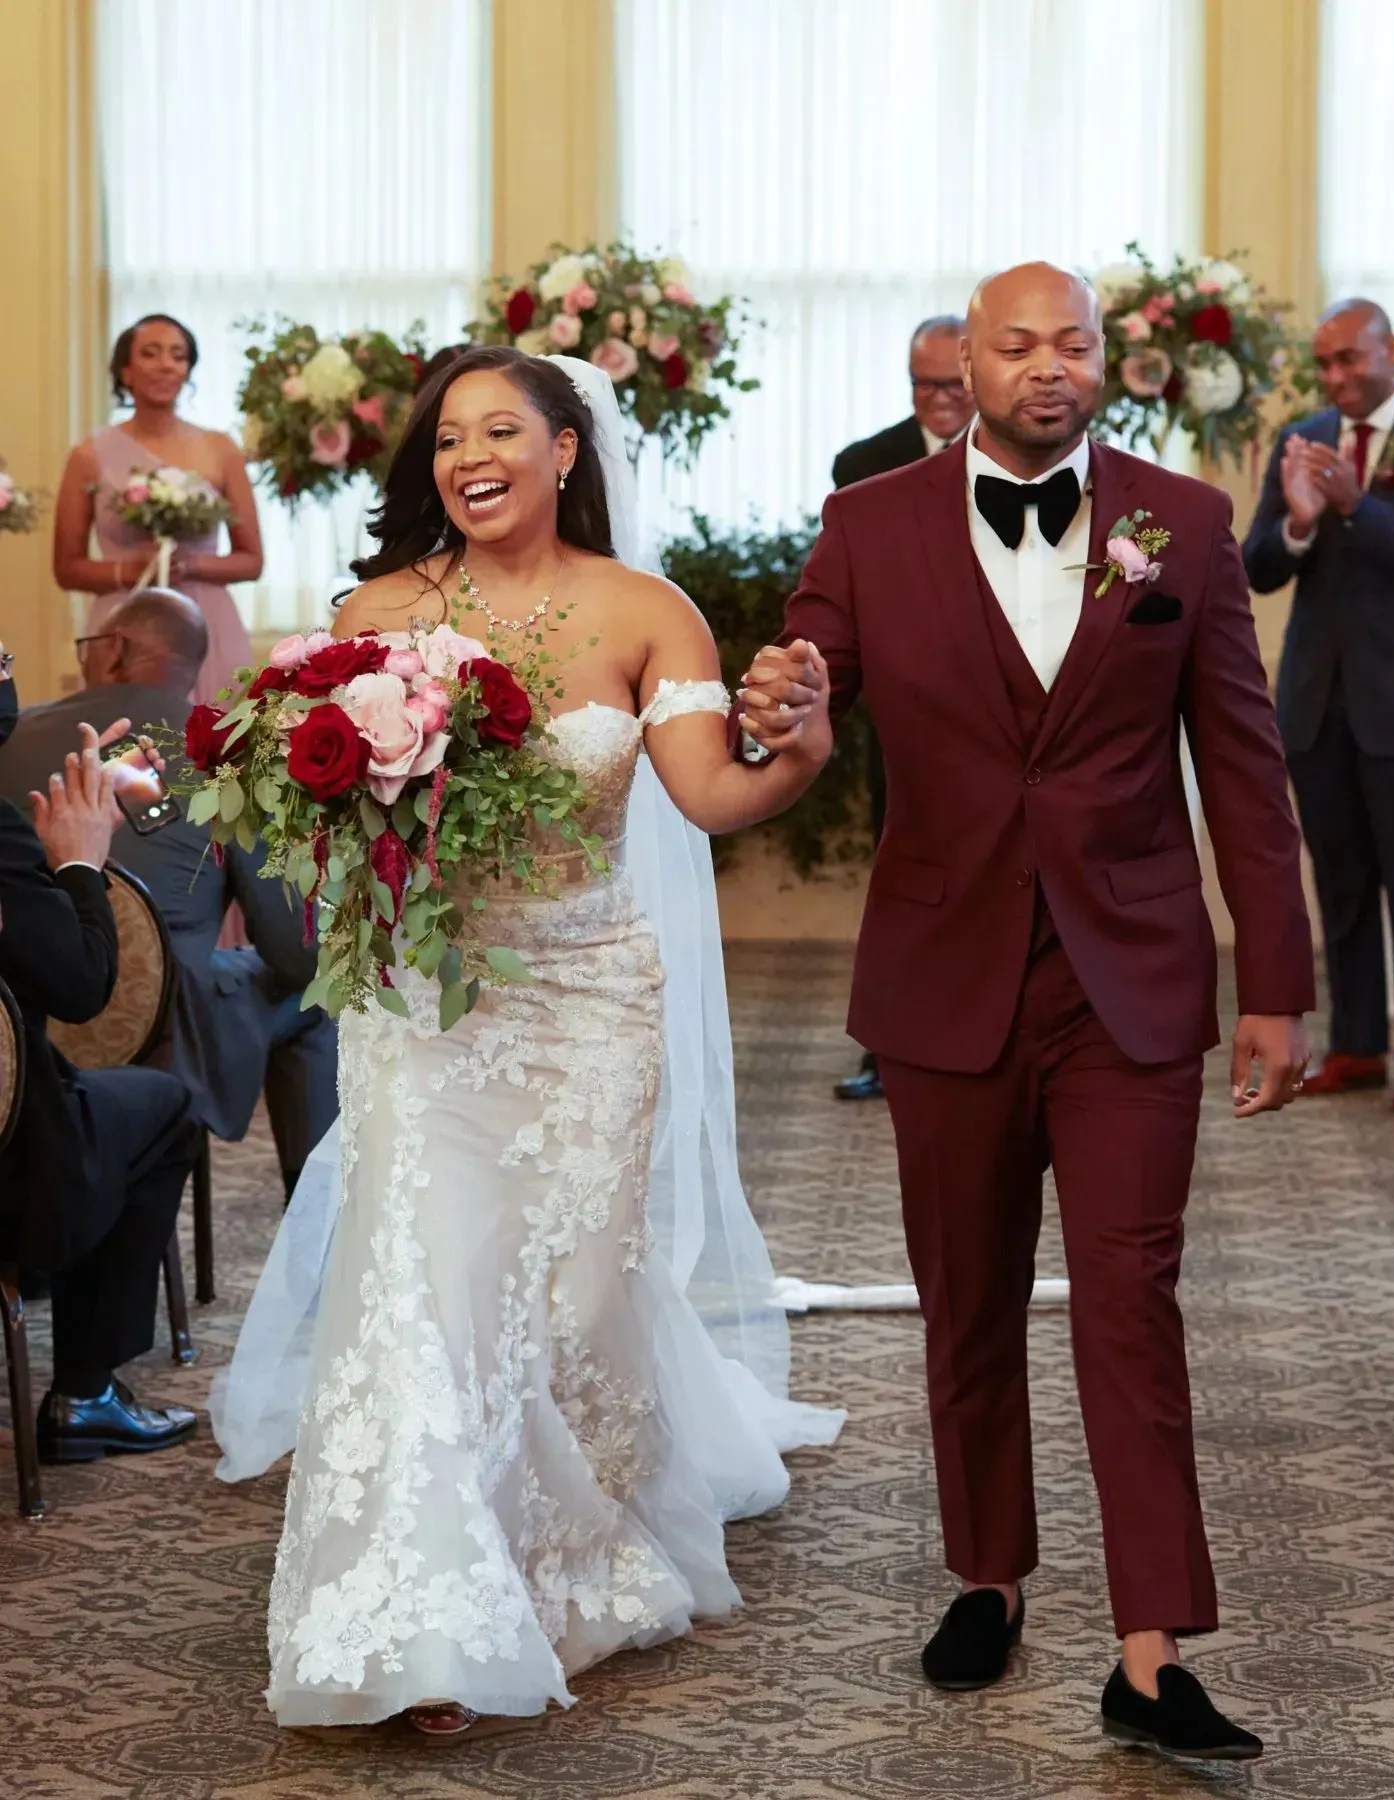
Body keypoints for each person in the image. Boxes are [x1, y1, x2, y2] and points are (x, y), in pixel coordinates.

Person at [209, 347, 844, 1735]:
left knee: (574, 1295)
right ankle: (432, 1610)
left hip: (592, 997)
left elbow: (711, 795)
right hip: (428, 1003)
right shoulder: (374, 611)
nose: (469, 455)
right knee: (425, 1291)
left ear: (568, 451)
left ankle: (562, 1556)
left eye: (503, 428)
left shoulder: (645, 612)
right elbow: (326, 811)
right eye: (448, 437)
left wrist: (796, 755)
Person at [738, 263, 1314, 1763]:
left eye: (1073, 343)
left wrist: (1280, 986)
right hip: (944, 979)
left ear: (1103, 361)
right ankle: (987, 1576)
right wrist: (785, 704)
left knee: (1133, 1302)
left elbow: (1242, 768)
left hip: (1131, 980)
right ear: (962, 369)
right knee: (969, 1302)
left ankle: (1150, 1654)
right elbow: (810, 683)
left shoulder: (1179, 523)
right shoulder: (869, 527)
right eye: (1017, 346)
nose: (1048, 367)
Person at [0, 589, 337, 1197]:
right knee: (318, 998)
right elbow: (292, 948)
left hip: (29, 1021)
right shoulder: (228, 752)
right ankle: (313, 1212)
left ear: (115, 651)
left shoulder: (15, 734)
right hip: (165, 1026)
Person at [0, 649, 197, 1461]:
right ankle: (84, 1392)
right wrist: (79, 862)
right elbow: (82, 987)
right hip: (13, 1174)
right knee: (161, 1108)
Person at [1243, 299, 1394, 1111]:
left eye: (1350, 360)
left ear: (1389, 350)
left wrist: (1361, 509)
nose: (1336, 378)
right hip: (1318, 707)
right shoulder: (1306, 439)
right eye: (1325, 364)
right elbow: (1256, 567)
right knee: (1342, 884)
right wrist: (1296, 521)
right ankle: (1357, 1044)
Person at [831, 316, 975, 1101]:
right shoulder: (864, 465)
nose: (942, 399)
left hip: (1007, 720)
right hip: (908, 716)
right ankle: (889, 1049)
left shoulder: (1028, 457)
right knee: (905, 878)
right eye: (926, 385)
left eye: (954, 384)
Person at [52, 314, 261, 705]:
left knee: (215, 751)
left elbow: (251, 560)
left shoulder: (221, 449)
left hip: (208, 623)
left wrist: (192, 566)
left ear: (188, 370)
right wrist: (128, 571)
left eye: (178, 356)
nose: (167, 364)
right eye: (151, 353)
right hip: (123, 623)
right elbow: (66, 567)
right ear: (126, 372)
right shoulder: (88, 455)